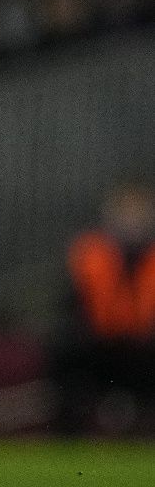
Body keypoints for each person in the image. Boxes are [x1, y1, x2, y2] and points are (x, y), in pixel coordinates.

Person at [52, 179, 155, 435]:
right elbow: (73, 306)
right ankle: (70, 436)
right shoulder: (89, 253)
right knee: (64, 356)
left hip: (144, 349)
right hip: (97, 347)